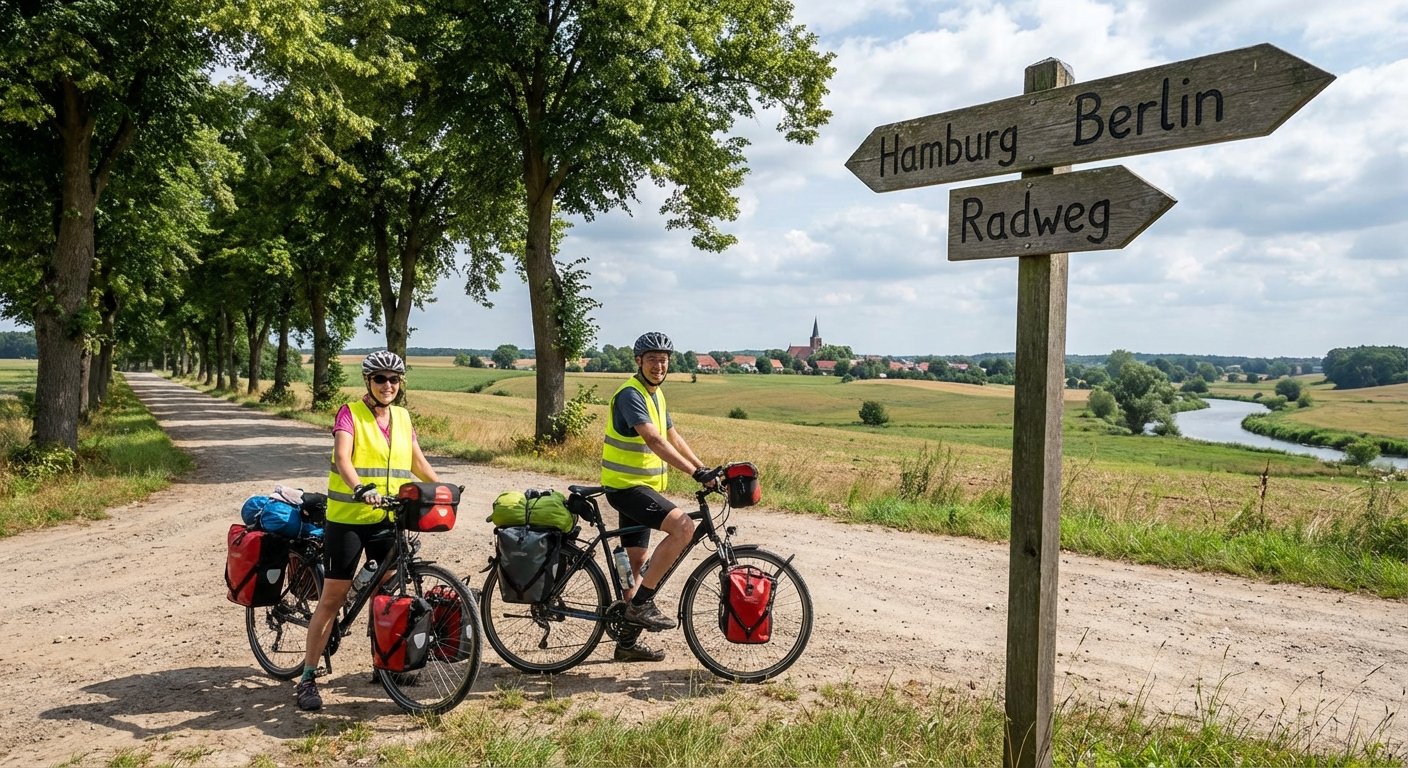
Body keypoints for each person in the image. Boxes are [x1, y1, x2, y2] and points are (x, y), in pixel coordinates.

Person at [294, 350, 440, 711]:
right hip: (348, 519)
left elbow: (417, 461)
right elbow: (343, 457)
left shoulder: (404, 418)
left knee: (386, 591)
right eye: (380, 379)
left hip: (386, 519)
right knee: (332, 599)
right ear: (368, 382)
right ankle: (307, 678)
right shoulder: (350, 413)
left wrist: (442, 489)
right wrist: (361, 487)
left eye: (394, 379)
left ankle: (385, 664)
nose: (388, 385)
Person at [601, 331, 716, 662]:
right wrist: (695, 474)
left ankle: (626, 644)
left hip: (640, 488)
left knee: (636, 563)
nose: (658, 365)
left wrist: (704, 468)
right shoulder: (630, 395)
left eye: (663, 360)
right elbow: (654, 440)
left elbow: (671, 435)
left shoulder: (655, 395)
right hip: (626, 488)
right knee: (682, 528)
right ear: (638, 362)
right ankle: (641, 605)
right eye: (652, 359)